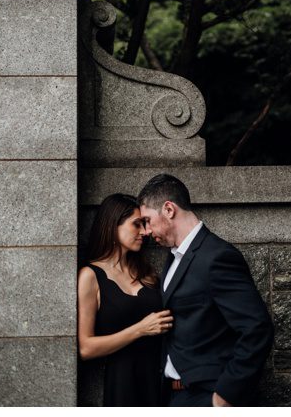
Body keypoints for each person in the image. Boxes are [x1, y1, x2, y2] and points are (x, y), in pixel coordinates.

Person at [137, 173, 273, 407]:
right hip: (173, 395)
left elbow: (257, 328)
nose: (147, 231)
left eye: (148, 220)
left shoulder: (217, 257)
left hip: (207, 395)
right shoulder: (172, 258)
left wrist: (224, 397)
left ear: (169, 209)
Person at [77, 193, 171, 407]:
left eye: (145, 224)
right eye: (136, 225)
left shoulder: (147, 274)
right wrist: (140, 329)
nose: (145, 232)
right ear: (113, 226)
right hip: (123, 386)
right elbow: (86, 347)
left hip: (160, 381)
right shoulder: (90, 277)